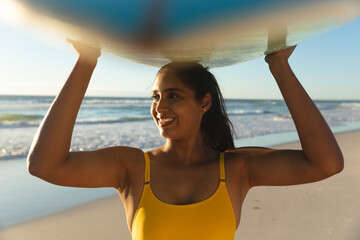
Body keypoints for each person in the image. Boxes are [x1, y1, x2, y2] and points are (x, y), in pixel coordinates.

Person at [27, 40, 343, 240]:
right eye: (155, 97)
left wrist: (279, 67)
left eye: (173, 96)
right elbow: (45, 165)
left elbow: (326, 163)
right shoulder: (133, 167)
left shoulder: (235, 168)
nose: (159, 108)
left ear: (204, 103)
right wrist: (86, 62)